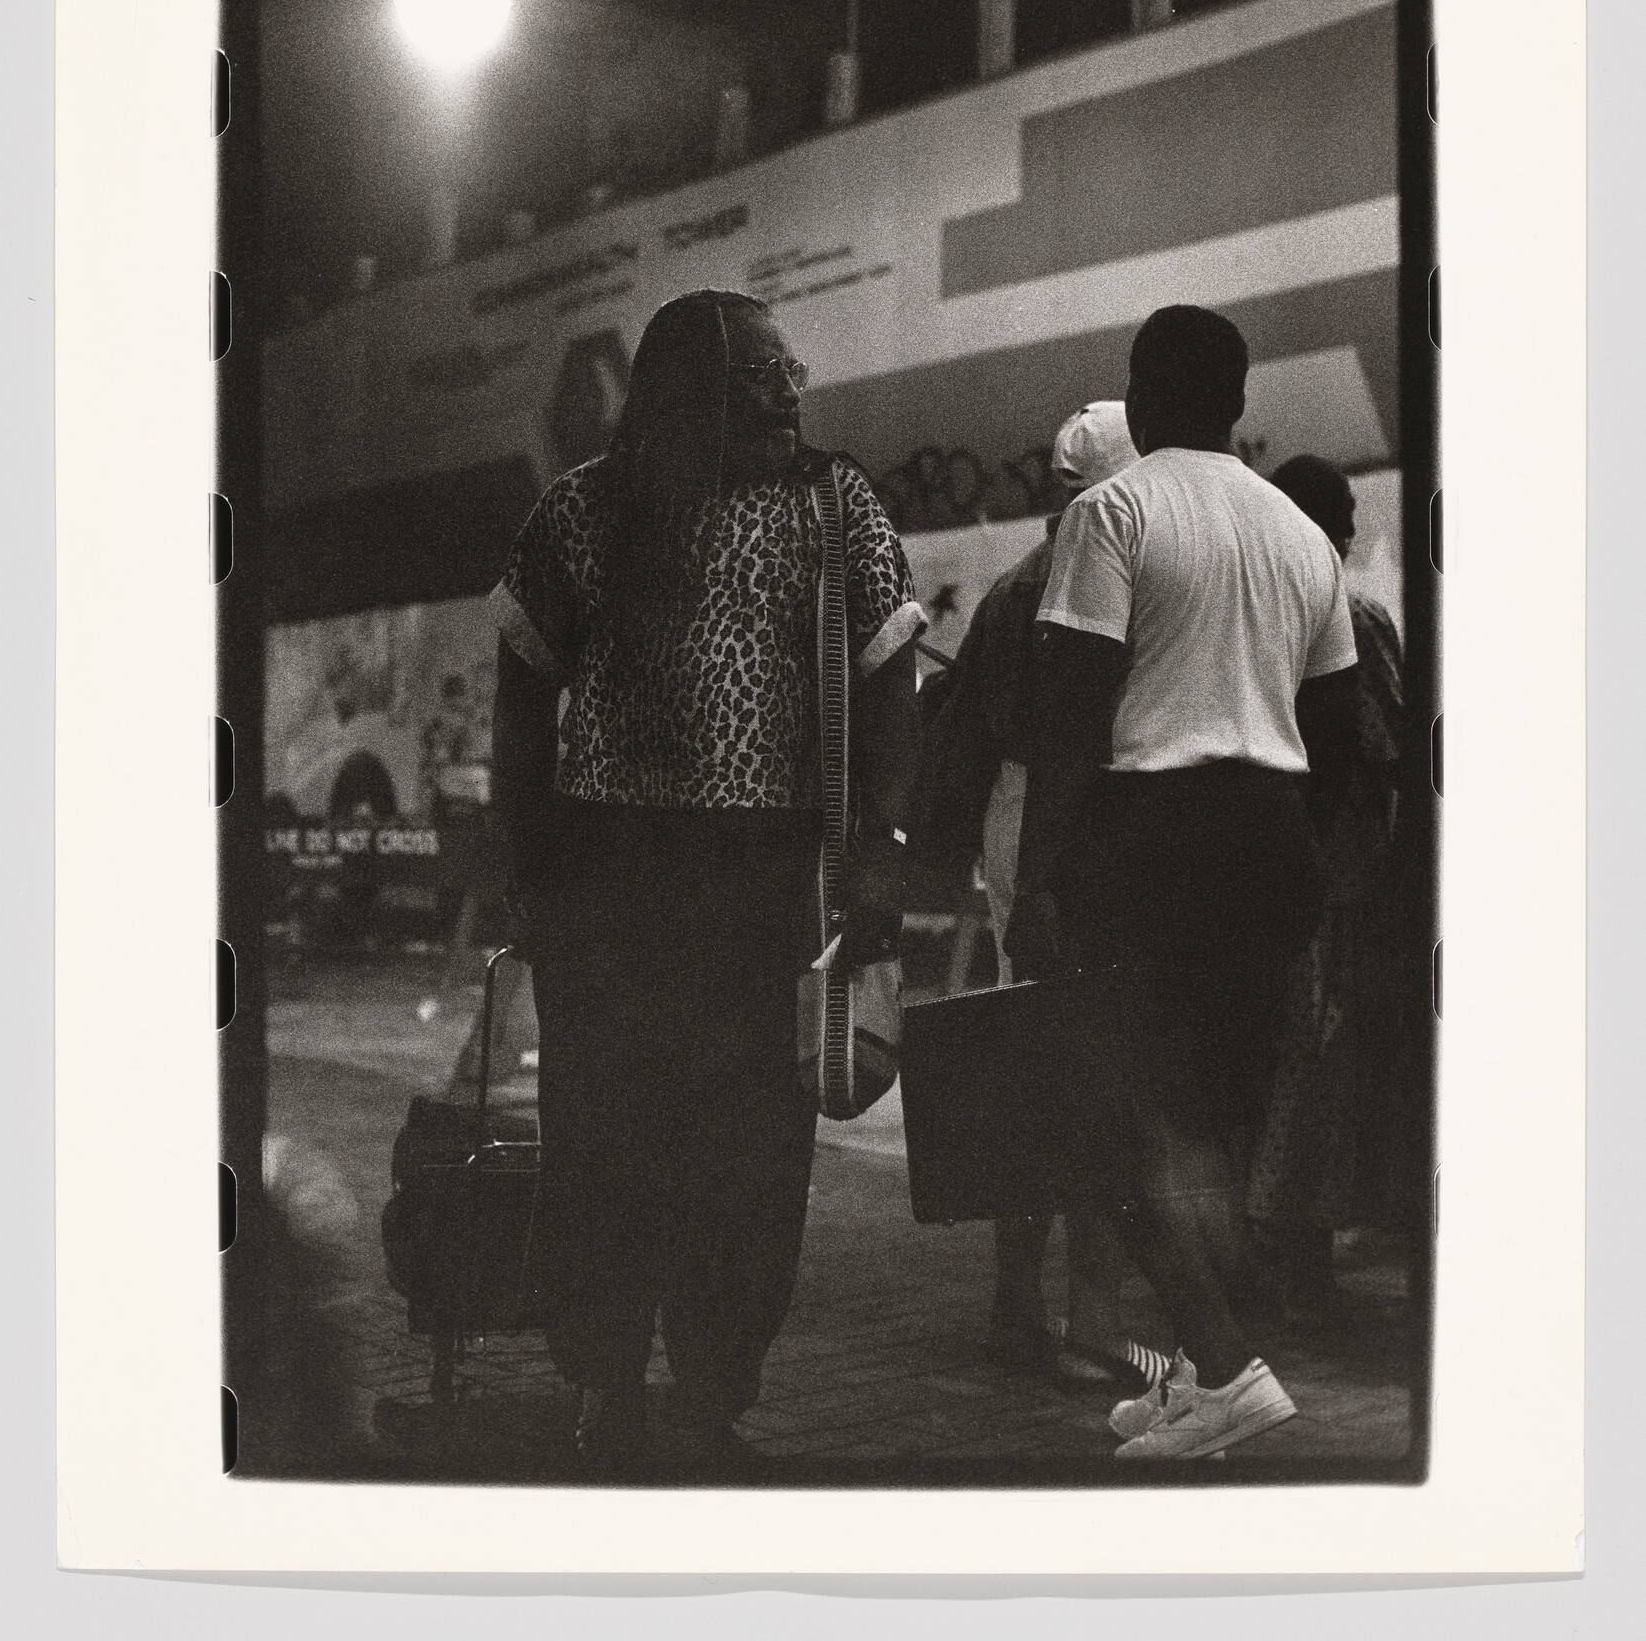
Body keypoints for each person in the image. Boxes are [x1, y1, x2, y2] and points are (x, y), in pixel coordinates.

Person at [489, 288, 923, 1475]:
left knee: (752, 1153)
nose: (793, 389)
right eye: (763, 372)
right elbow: (521, 697)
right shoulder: (582, 510)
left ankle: (714, 1383)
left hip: (765, 879)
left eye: (792, 370)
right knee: (606, 1140)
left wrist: (877, 851)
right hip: (608, 873)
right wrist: (525, 865)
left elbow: (894, 682)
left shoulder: (835, 508)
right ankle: (607, 1378)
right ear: (695, 383)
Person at [1006, 306, 1359, 1461]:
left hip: (1152, 843)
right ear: (1241, 405)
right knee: (1216, 1137)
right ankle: (1209, 1384)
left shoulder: (1116, 509)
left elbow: (1073, 716)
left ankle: (1224, 1368)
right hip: (1271, 847)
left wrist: (1038, 879)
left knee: (1105, 1131)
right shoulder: (1304, 537)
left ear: (1142, 396)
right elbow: (1339, 739)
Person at [909, 402, 1169, 1397]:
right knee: (1089, 1077)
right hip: (1065, 840)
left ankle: (1024, 1312)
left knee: (1045, 1069)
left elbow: (968, 738)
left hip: (1033, 836)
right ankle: (1083, 1324)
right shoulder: (1073, 585)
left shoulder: (1025, 584)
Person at [1245, 455, 1406, 1306]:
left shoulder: (1250, 608)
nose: (1349, 526)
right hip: (1340, 869)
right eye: (1343, 512)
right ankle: (1301, 1244)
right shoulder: (1354, 612)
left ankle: (1260, 1233)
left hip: (1254, 860)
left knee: (1270, 1053)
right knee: (1325, 1060)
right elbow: (1391, 745)